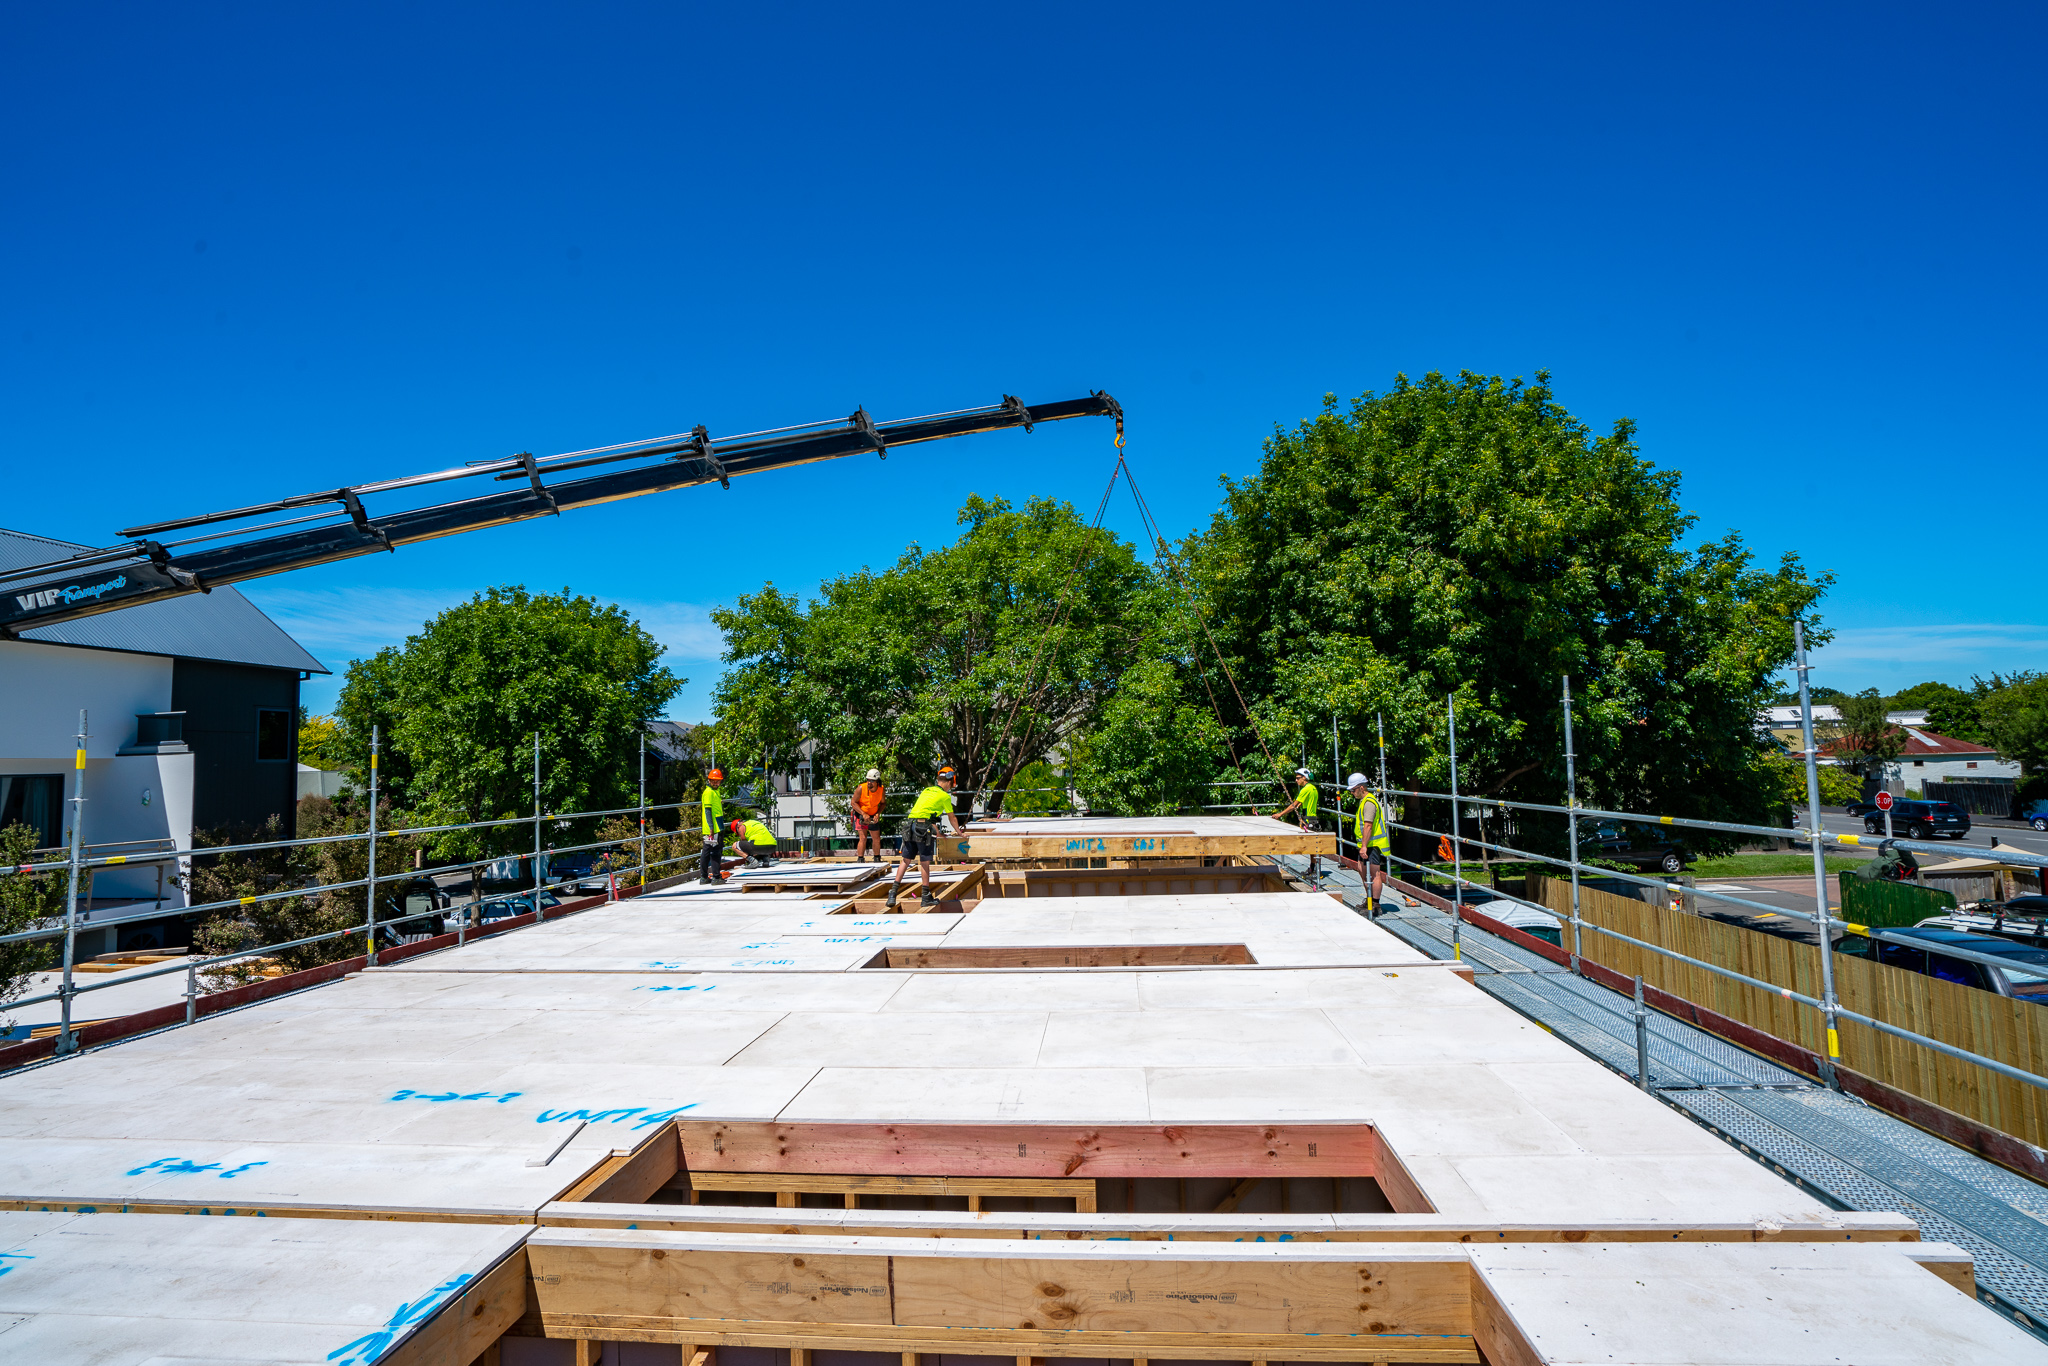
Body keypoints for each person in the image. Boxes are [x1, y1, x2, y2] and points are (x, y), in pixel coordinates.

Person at [885, 766, 964, 909]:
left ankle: (892, 893)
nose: (951, 787)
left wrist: (938, 833)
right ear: (949, 781)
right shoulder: (945, 796)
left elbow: (926, 815)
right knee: (925, 863)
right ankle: (926, 896)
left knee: (906, 860)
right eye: (952, 784)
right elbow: (952, 818)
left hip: (910, 825)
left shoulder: (927, 791)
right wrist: (959, 833)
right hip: (923, 829)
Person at [1347, 772, 1390, 914]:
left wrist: (1364, 846)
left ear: (1361, 787)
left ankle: (1375, 904)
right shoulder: (1364, 801)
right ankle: (1370, 899)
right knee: (1361, 869)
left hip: (1372, 845)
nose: (1352, 793)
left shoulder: (1369, 802)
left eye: (1353, 790)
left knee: (1374, 874)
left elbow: (1368, 826)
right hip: (1366, 844)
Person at [1270, 768, 1325, 878]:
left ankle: (1315, 871)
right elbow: (1303, 803)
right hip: (1313, 819)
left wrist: (1280, 814)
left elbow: (1294, 805)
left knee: (1312, 847)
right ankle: (1313, 869)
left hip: (1309, 820)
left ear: (1304, 778)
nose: (1296, 780)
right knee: (1312, 847)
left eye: (1298, 778)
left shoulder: (1305, 789)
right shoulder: (1313, 788)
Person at [851, 768, 887, 862]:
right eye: (868, 780)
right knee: (863, 838)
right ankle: (860, 859)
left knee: (876, 838)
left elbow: (883, 803)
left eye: (872, 781)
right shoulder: (861, 788)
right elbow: (853, 802)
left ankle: (877, 858)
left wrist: (878, 814)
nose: (869, 783)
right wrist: (863, 813)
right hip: (860, 815)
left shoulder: (881, 790)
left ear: (877, 782)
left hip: (873, 815)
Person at [697, 768, 726, 882]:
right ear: (709, 780)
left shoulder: (715, 792)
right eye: (713, 780)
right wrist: (711, 828)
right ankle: (716, 877)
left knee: (707, 851)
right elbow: (708, 811)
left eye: (717, 781)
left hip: (717, 825)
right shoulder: (708, 792)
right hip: (713, 828)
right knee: (715, 852)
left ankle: (704, 877)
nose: (715, 782)